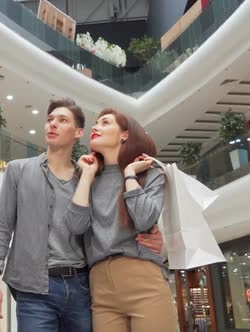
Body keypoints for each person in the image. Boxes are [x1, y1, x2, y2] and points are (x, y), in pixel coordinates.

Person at [0, 99, 164, 331]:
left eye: (62, 120)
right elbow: (2, 226)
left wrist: (158, 238)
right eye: (49, 120)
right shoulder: (18, 170)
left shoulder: (89, 178)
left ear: (78, 133)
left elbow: (110, 224)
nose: (53, 124)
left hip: (83, 288)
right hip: (34, 289)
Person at [64, 108, 177, 332]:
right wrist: (86, 176)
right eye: (95, 123)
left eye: (105, 122)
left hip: (144, 281)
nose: (95, 127)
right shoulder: (89, 178)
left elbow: (144, 220)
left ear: (124, 134)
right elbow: (76, 226)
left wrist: (129, 175)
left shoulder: (150, 174)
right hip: (101, 286)